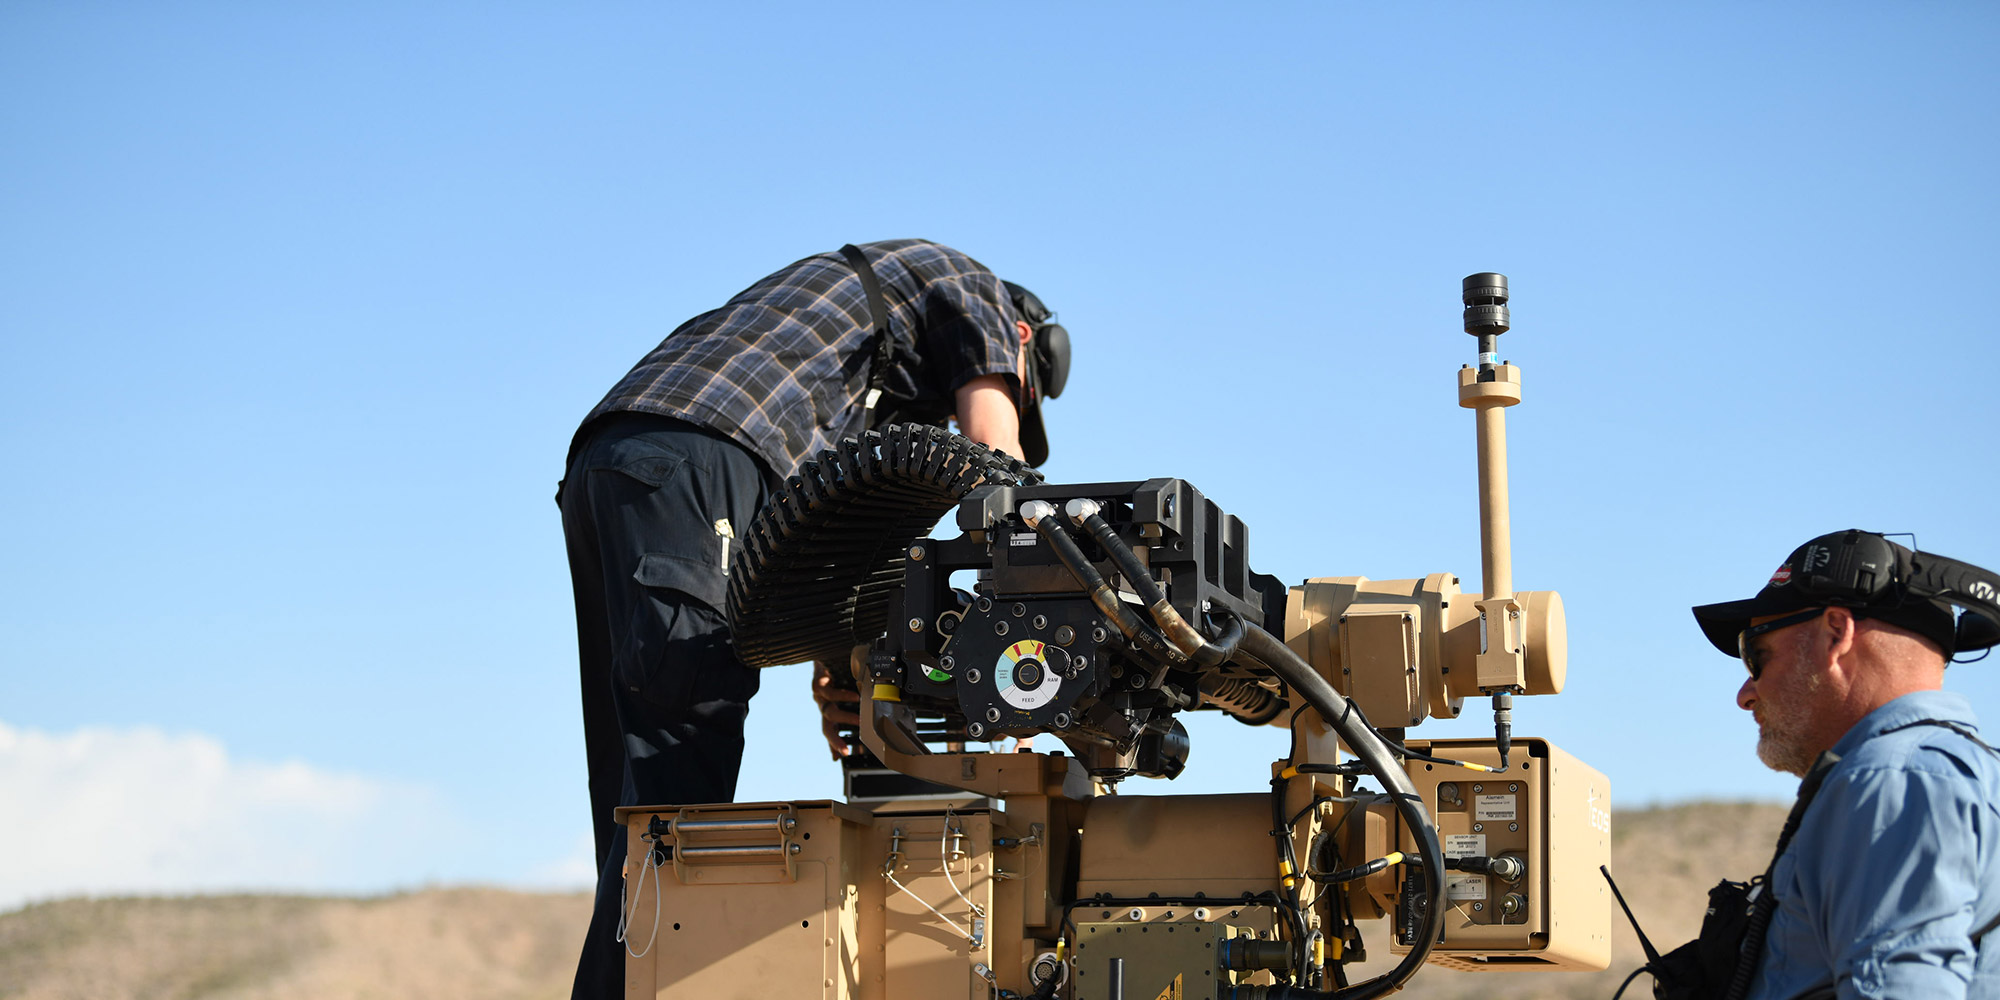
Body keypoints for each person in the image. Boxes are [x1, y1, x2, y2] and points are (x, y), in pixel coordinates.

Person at [556, 239, 1069, 999]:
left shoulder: (860, 365)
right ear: (1023, 344)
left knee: (635, 817)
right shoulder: (978, 289)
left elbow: (831, 531)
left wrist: (843, 670)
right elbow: (997, 450)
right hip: (706, 454)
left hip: (613, 460)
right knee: (679, 784)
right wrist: (1038, 634)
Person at [1691, 529, 2000, 999]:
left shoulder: (1893, 776)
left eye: (1756, 654)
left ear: (1835, 633)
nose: (1745, 694)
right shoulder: (1960, 772)